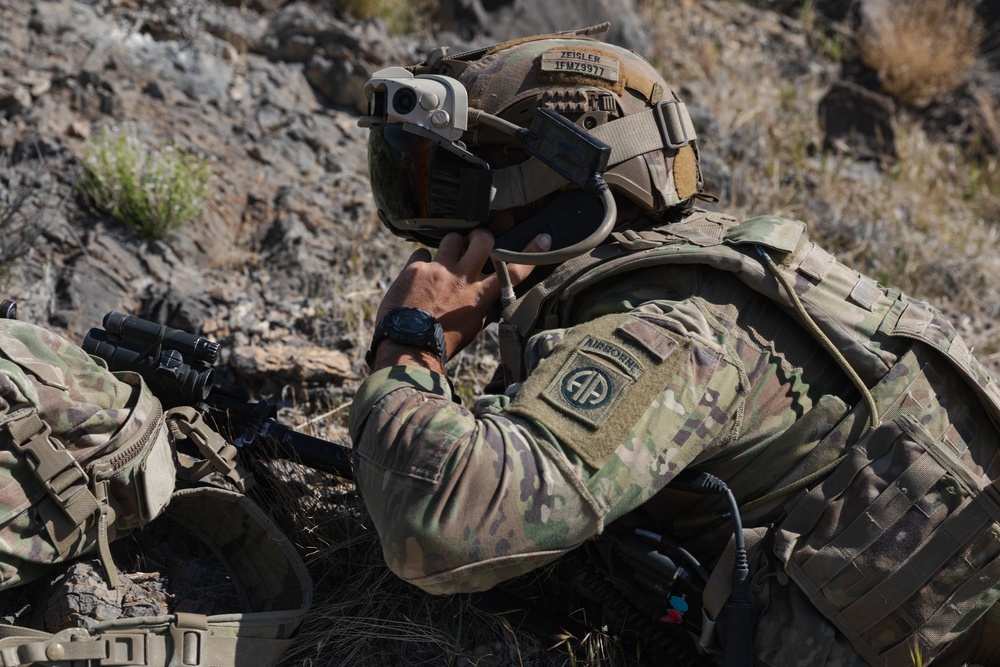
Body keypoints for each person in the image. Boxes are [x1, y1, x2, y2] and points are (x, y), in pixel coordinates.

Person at [347, 24, 1000, 667]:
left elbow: (439, 532)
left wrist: (410, 343)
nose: (434, 228)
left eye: (454, 186)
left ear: (559, 189)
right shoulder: (690, 271)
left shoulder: (666, 326)